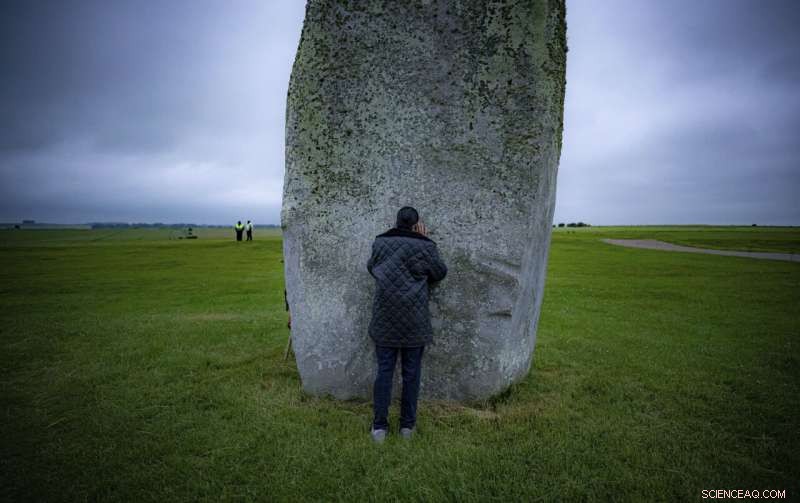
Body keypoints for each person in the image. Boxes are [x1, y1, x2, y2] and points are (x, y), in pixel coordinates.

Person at [366, 206, 447, 443]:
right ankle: (407, 428)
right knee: (411, 374)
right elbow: (440, 272)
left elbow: (372, 267)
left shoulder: (380, 243)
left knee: (384, 372)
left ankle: (379, 427)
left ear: (397, 220)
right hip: (414, 321)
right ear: (416, 224)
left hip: (385, 318)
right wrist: (423, 239)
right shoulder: (425, 246)